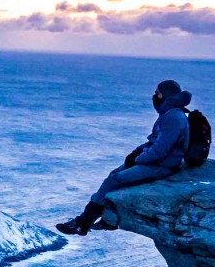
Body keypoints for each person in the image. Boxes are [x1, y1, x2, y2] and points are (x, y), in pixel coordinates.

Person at [57, 79, 192, 236]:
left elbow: (160, 150)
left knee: (115, 180)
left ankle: (84, 223)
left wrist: (137, 160)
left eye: (158, 93)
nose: (154, 96)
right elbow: (154, 140)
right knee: (113, 175)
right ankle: (85, 221)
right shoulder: (168, 113)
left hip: (163, 166)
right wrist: (136, 152)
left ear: (166, 95)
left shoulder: (173, 117)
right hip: (157, 161)